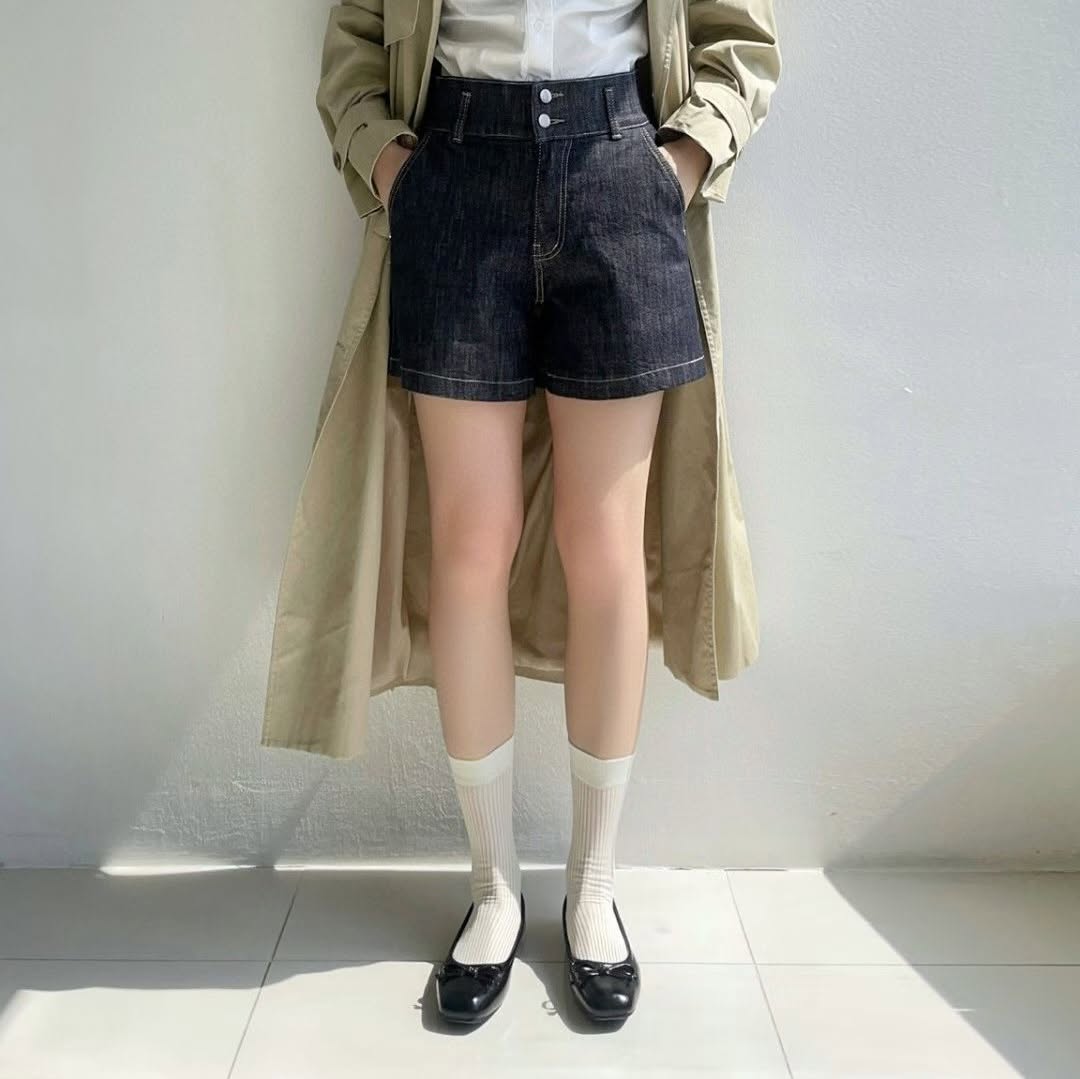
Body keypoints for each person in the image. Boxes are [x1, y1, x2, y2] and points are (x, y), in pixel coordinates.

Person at [299, 0, 782, 1027]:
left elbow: (741, 40)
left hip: (620, 174)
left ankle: (593, 887)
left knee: (604, 546)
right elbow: (353, 44)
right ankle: (493, 890)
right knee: (469, 545)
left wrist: (676, 166)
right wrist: (394, 168)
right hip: (455, 172)